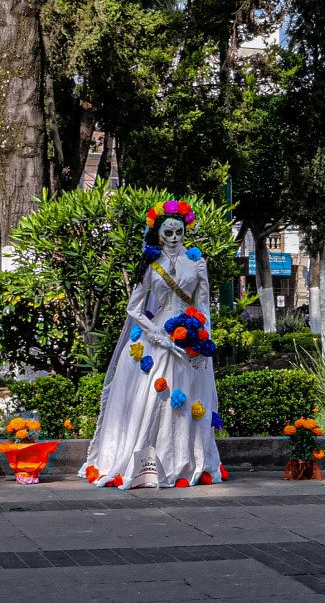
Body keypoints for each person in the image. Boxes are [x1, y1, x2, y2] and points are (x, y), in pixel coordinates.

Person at [78, 200, 223, 489]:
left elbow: (203, 303)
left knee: (187, 398)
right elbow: (134, 308)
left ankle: (187, 461)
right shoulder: (150, 262)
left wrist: (203, 335)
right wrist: (155, 333)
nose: (173, 238)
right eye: (167, 233)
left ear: (185, 231)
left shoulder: (196, 262)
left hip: (190, 333)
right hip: (155, 334)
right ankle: (143, 461)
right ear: (157, 233)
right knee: (151, 397)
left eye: (178, 232)